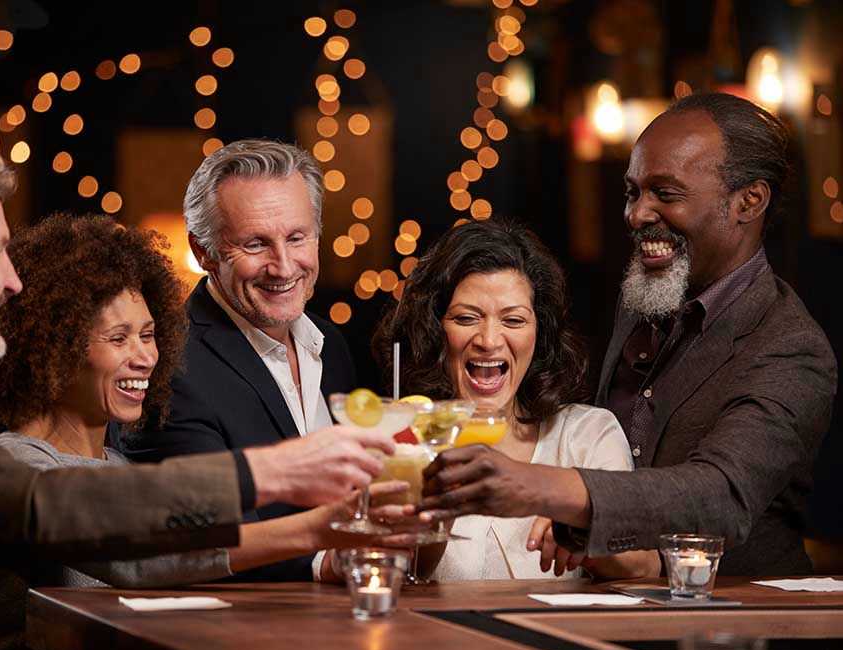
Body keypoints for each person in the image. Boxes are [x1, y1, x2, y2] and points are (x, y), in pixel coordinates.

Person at [0, 133, 395, 650]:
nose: (12, 280)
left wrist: (314, 529)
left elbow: (140, 549)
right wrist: (268, 474)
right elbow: (40, 507)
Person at [421, 93, 837, 577]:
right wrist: (583, 526)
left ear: (749, 201)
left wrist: (544, 487)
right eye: (633, 192)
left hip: (733, 625)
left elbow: (720, 495)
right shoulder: (646, 294)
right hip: (614, 619)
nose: (637, 214)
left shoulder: (790, 345)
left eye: (666, 193)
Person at [0, 212, 406, 650]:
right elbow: (139, 553)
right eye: (119, 338)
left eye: (149, 334)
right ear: (52, 351)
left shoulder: (120, 465)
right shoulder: (14, 463)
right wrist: (316, 528)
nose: (146, 357)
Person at [119, 139, 356, 581]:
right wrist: (326, 562)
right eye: (255, 244)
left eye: (297, 237)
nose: (283, 266)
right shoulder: (166, 365)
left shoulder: (332, 345)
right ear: (203, 250)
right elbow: (197, 533)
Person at [372, 219, 657, 580]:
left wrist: (583, 526)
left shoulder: (586, 435)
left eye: (513, 320)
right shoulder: (398, 439)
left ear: (540, 333)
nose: (489, 340)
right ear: (435, 330)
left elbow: (646, 568)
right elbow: (378, 574)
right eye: (466, 317)